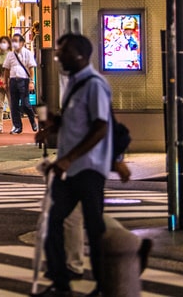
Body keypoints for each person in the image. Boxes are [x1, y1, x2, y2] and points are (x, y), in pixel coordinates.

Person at [36, 33, 112, 297]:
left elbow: (101, 126)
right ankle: (60, 282)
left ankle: (105, 286)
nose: (58, 57)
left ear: (80, 54)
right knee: (52, 222)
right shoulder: (74, 83)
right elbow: (76, 122)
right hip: (69, 170)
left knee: (94, 228)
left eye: (63, 52)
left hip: (89, 169)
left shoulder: (94, 85)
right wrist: (53, 126)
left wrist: (70, 157)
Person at [2, 33, 38, 134]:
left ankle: (33, 121)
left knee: (26, 104)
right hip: (13, 81)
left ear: (22, 43)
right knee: (14, 105)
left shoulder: (28, 53)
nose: (14, 43)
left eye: (16, 41)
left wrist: (31, 81)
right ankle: (17, 126)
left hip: (24, 80)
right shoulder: (10, 54)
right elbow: (6, 70)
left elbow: (31, 68)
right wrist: (5, 82)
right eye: (13, 41)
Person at [0, 36, 12, 133]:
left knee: (12, 105)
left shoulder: (12, 55)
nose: (3, 44)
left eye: (5, 42)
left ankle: (15, 125)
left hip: (10, 82)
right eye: (1, 42)